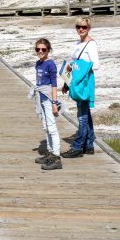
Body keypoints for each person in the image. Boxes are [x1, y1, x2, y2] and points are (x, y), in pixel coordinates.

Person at [61, 17, 99, 158]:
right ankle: (89, 145)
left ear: (89, 28)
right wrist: (67, 82)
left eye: (84, 27)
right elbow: (74, 64)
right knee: (85, 113)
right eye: (78, 27)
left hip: (85, 82)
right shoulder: (78, 43)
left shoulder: (91, 44)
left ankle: (78, 146)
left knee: (82, 116)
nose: (81, 29)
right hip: (76, 81)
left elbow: (95, 65)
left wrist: (80, 66)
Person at [31, 38, 62, 170]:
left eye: (43, 49)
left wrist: (54, 102)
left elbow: (54, 85)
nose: (40, 51)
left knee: (51, 126)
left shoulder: (50, 64)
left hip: (49, 99)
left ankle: (56, 157)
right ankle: (49, 152)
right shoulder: (38, 63)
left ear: (48, 50)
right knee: (45, 126)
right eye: (38, 49)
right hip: (41, 98)